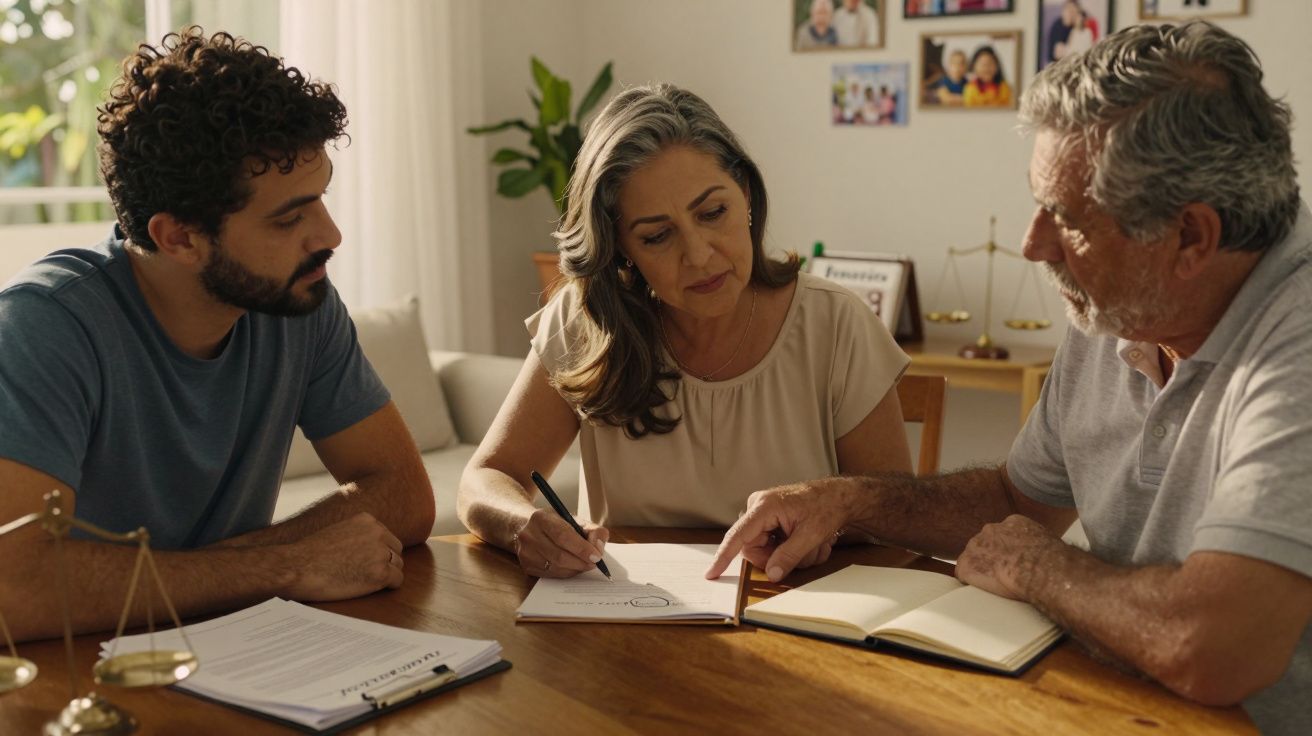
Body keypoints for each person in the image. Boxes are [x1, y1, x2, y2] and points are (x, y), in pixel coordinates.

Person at [707, 21, 1310, 735]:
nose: (1032, 245)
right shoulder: (1121, 306)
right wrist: (843, 502)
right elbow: (1013, 500)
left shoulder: (1296, 340)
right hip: (1106, 702)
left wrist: (1040, 569)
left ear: (1190, 238)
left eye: (1065, 217)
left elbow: (1212, 647)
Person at [0, 29, 435, 642]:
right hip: (71, 675)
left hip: (224, 645)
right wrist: (285, 564)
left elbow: (405, 495)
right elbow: (13, 590)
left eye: (321, 199)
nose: (330, 234)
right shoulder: (44, 327)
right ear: (179, 237)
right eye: (290, 217)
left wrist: (233, 572)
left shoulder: (299, 302)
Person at [458, 84, 912, 579]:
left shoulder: (836, 324)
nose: (699, 255)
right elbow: (486, 478)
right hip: (623, 629)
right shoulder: (587, 322)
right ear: (622, 247)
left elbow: (899, 513)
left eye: (713, 213)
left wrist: (832, 517)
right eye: (657, 236)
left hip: (797, 618)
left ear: (745, 193)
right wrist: (524, 523)